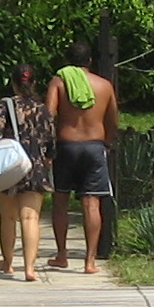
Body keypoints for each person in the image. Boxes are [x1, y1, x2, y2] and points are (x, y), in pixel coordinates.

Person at [47, 58, 121, 273]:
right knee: (91, 204)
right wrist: (108, 141)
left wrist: (48, 147)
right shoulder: (104, 85)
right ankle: (90, 261)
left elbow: (48, 115)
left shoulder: (59, 82)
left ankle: (62, 255)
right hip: (94, 146)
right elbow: (113, 119)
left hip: (66, 146)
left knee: (60, 201)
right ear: (89, 60)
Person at [0, 64, 55, 280]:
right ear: (34, 83)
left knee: (7, 217)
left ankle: (7, 263)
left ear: (13, 83)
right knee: (30, 218)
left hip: (9, 165)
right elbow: (51, 141)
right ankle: (30, 268)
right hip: (35, 166)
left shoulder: (4, 106)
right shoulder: (43, 109)